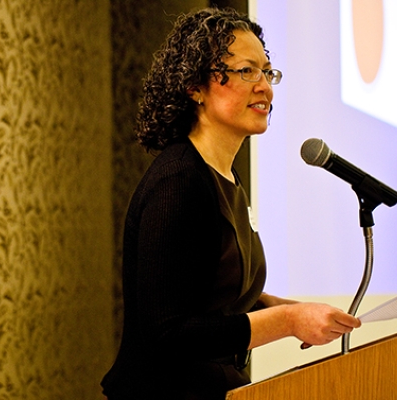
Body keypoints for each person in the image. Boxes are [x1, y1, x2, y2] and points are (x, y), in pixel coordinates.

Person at [101, 6, 361, 400]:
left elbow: (212, 292)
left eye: (267, 72)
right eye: (246, 71)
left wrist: (292, 308)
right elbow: (167, 333)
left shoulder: (225, 178)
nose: (265, 87)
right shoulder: (178, 182)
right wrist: (288, 320)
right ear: (195, 86)